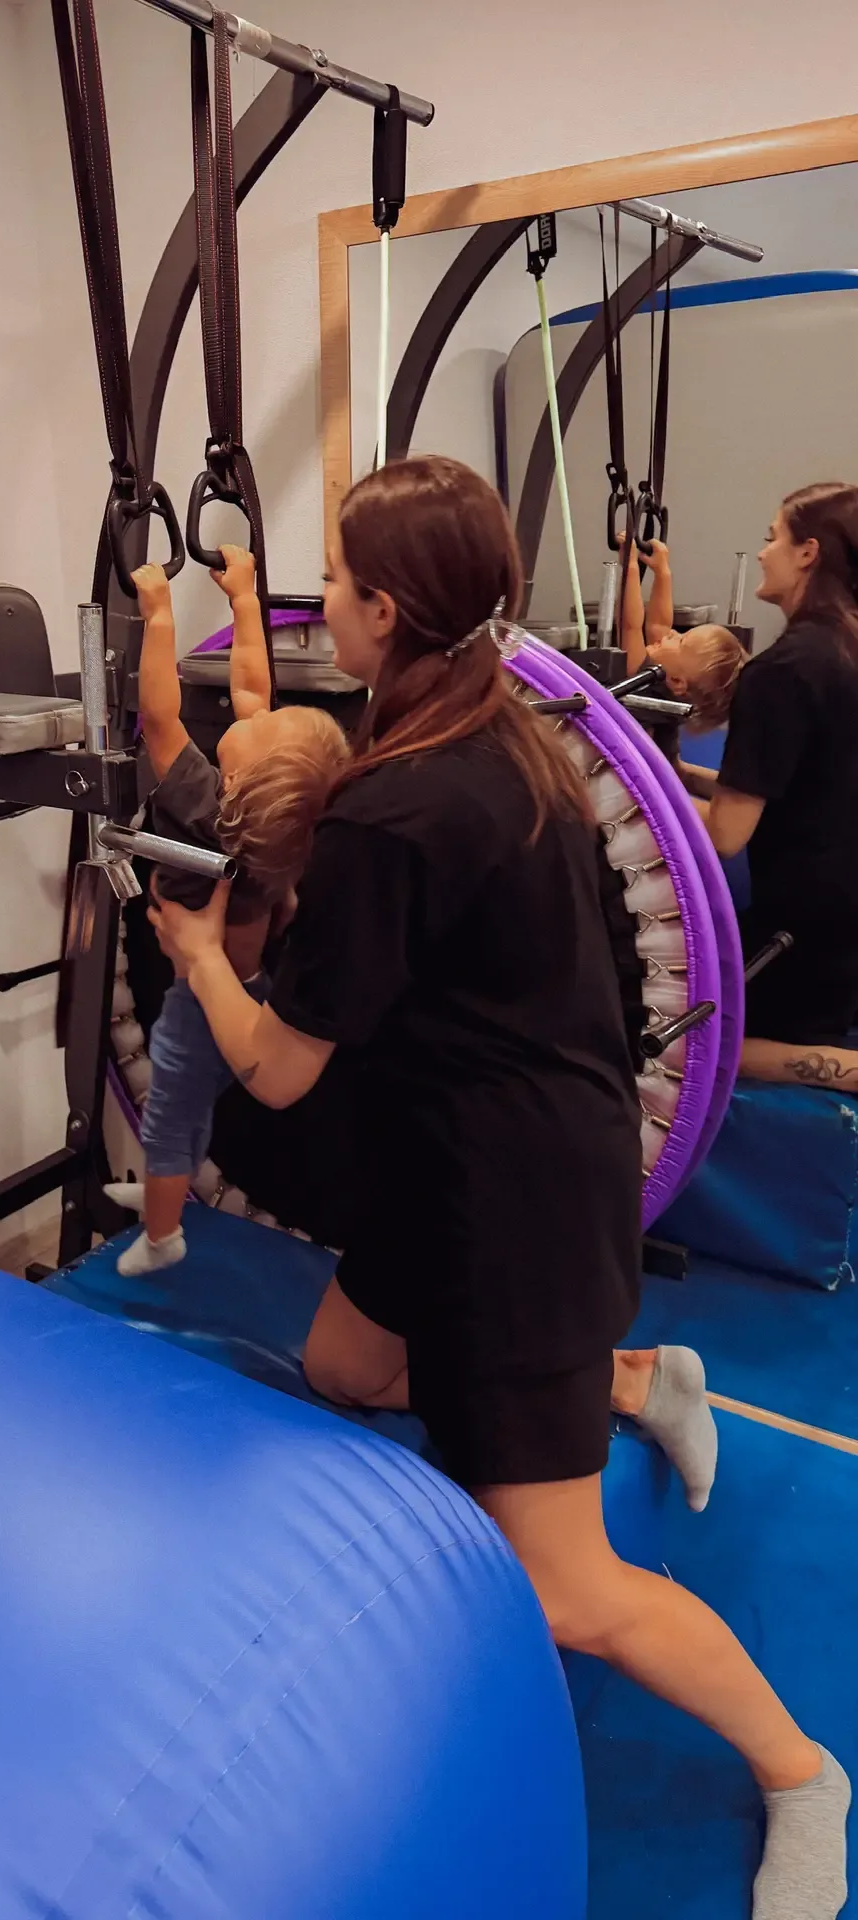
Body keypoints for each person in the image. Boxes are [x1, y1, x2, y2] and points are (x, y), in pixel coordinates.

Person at [149, 457, 848, 1920]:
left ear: (385, 611)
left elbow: (276, 1072)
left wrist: (202, 955)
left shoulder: (396, 807)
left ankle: (802, 1772)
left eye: (338, 581)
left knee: (566, 1594)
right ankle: (639, 1377)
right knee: (345, 1367)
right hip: (464, 1159)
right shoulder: (501, 732)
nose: (328, 598)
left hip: (514, 1210)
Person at [105, 548, 349, 1277]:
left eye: (267, 729)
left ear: (237, 783)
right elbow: (250, 688)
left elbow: (158, 717)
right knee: (193, 1109)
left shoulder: (204, 813)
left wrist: (157, 614)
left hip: (201, 1005)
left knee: (170, 1117)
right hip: (255, 992)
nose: (257, 714)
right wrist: (245, 600)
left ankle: (162, 1236)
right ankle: (165, 1196)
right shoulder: (274, 828)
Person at [683, 483, 858, 1088]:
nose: (762, 553)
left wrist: (637, 803)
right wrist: (680, 775)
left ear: (808, 552)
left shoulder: (781, 671)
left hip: (805, 932)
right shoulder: (845, 650)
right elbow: (800, 784)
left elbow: (726, 836)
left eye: (772, 537)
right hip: (844, 918)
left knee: (686, 1045)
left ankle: (846, 1073)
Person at [619, 535, 746, 763]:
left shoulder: (641, 683)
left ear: (677, 681)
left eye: (681, 641)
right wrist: (662, 572)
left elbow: (630, 625)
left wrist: (630, 566)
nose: (672, 633)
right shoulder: (671, 689)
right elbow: (659, 625)